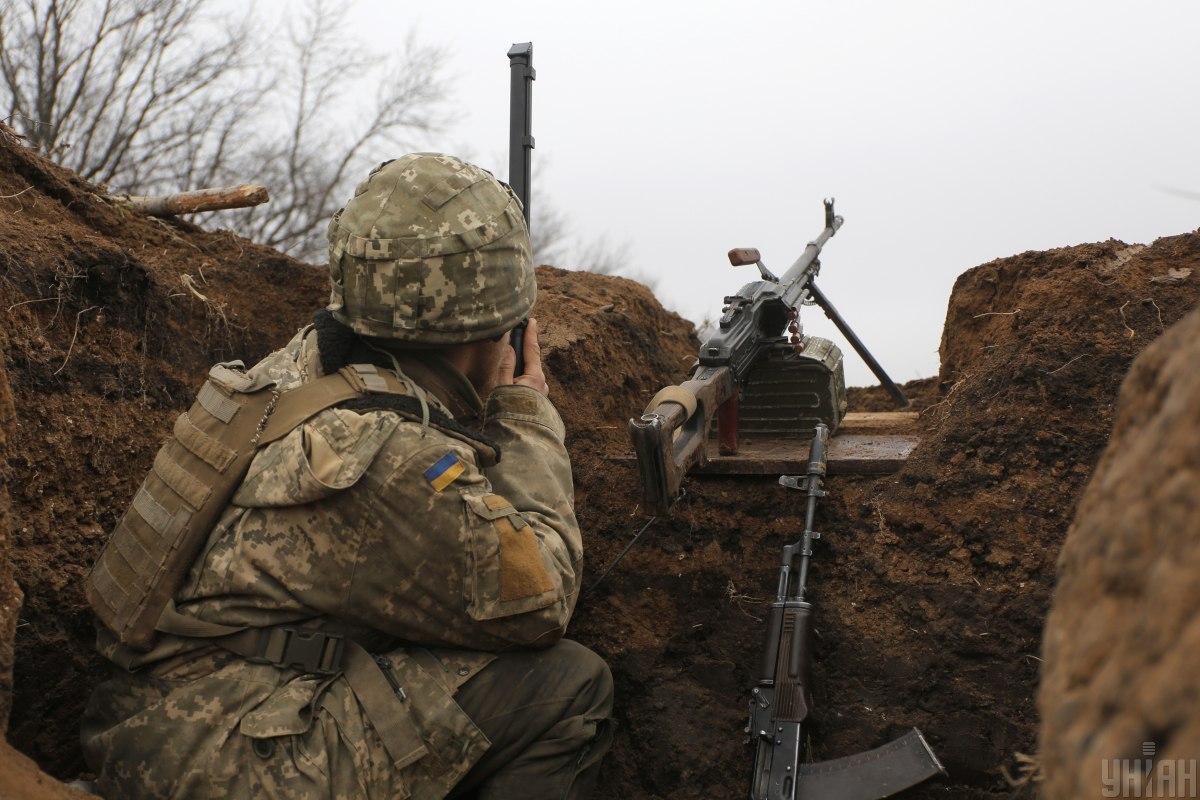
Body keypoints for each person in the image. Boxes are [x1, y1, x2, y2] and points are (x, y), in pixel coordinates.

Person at [81, 153, 614, 800]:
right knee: (567, 684)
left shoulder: (292, 370)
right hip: (222, 765)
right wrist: (524, 413)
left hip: (138, 720)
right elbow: (544, 597)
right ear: (496, 327)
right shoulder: (389, 457)